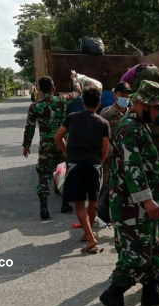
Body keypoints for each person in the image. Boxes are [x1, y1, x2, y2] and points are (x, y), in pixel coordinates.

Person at [100, 80, 159, 306]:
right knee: (135, 255)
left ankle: (150, 292)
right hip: (130, 206)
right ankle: (113, 293)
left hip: (142, 205)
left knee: (154, 248)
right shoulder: (129, 128)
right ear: (142, 104)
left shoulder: (140, 125)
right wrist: (147, 201)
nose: (158, 113)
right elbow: (133, 169)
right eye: (155, 108)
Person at [54, 86, 110, 254]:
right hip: (94, 166)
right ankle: (89, 234)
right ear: (98, 103)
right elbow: (106, 147)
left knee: (79, 204)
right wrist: (100, 161)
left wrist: (66, 152)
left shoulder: (71, 118)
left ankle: (91, 237)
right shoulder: (103, 123)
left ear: (82, 101)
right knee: (93, 203)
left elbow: (58, 136)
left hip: (75, 165)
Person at [23, 76, 70, 219]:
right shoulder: (62, 101)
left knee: (43, 176)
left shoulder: (35, 107)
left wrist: (26, 145)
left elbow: (29, 127)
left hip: (46, 145)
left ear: (39, 89)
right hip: (62, 143)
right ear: (53, 87)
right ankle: (65, 204)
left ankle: (44, 208)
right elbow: (76, 94)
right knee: (65, 172)